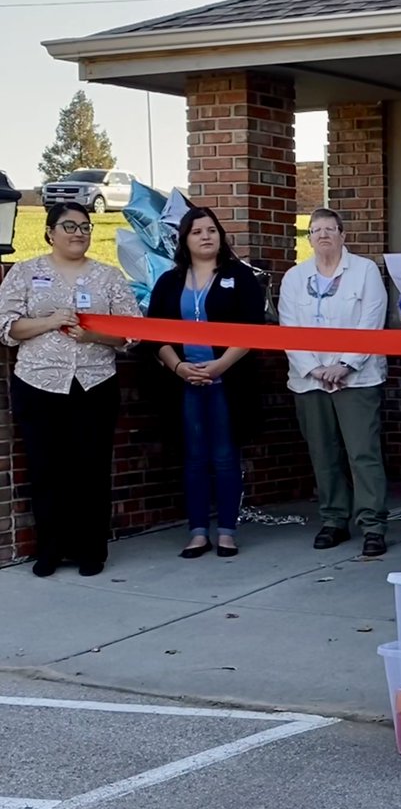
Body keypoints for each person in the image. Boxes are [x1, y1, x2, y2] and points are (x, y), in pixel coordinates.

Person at [0, 203, 140, 577]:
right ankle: (50, 551)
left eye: (85, 226)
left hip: (94, 384)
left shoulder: (108, 277)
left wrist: (94, 335)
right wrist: (48, 322)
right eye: (69, 226)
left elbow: (132, 332)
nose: (79, 233)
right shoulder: (25, 273)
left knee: (91, 470)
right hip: (39, 383)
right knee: (47, 469)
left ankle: (90, 550)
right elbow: (7, 328)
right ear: (49, 232)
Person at [146, 207, 264, 559]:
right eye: (197, 231)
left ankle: (227, 531)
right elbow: (155, 333)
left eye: (211, 230)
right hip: (184, 382)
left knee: (226, 457)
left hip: (228, 380)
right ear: (184, 239)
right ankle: (197, 532)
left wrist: (220, 365)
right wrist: (180, 367)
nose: (206, 236)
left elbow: (252, 328)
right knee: (195, 458)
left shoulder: (239, 277)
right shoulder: (169, 281)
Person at [280, 208, 389, 557]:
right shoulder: (294, 277)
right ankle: (333, 519)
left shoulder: (365, 271)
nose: (323, 234)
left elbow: (372, 320)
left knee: (363, 453)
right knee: (323, 453)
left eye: (330, 228)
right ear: (309, 238)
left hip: (357, 378)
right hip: (309, 381)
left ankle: (373, 524)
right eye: (316, 230)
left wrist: (344, 364)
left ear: (344, 235)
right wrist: (314, 369)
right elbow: (289, 329)